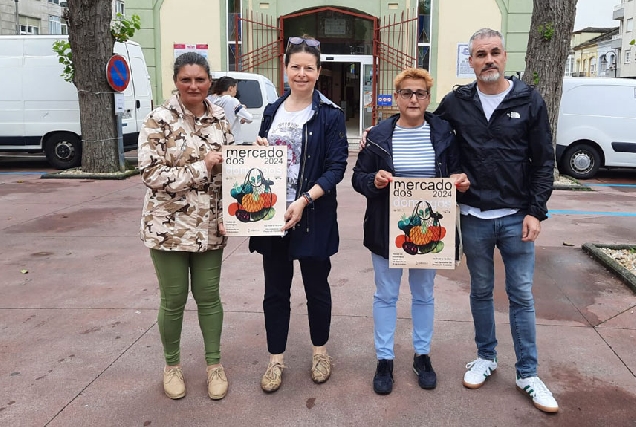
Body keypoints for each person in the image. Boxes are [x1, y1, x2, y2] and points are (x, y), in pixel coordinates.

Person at [435, 28, 558, 413]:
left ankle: (528, 373)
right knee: (481, 293)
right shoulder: (457, 102)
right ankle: (486, 357)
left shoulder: (528, 99)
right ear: (470, 61)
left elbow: (544, 160)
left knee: (521, 296)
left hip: (517, 218)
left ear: (505, 57)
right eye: (480, 54)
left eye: (494, 53)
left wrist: (536, 210)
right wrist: (381, 136)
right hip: (473, 216)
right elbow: (428, 132)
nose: (488, 60)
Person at [352, 68, 470, 395]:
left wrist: (460, 181)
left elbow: (459, 171)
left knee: (424, 294)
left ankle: (422, 355)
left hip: (431, 233)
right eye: (407, 93)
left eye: (420, 93)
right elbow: (358, 177)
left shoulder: (444, 133)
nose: (414, 99)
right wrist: (373, 181)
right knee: (386, 295)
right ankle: (385, 358)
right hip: (386, 229)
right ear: (397, 97)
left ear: (428, 98)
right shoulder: (379, 135)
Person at [249, 36, 348, 393]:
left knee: (316, 287)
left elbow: (337, 167)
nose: (302, 73)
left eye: (309, 67)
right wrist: (259, 147)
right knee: (275, 291)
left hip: (313, 215)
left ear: (319, 72)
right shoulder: (272, 111)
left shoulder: (330, 115)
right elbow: (261, 160)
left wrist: (305, 199)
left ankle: (320, 352)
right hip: (271, 216)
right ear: (285, 69)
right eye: (296, 67)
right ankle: (276, 358)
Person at [138, 52, 234, 401]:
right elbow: (151, 175)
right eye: (186, 79)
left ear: (210, 81)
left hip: (210, 227)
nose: (193, 86)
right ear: (175, 81)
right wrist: (202, 166)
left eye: (200, 79)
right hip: (169, 228)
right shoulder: (158, 119)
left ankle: (214, 365)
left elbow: (230, 169)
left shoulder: (220, 117)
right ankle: (172, 366)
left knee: (209, 298)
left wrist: (254, 153)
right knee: (174, 299)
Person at [208, 76, 254, 145]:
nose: (236, 91)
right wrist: (244, 115)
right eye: (235, 88)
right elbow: (249, 118)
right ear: (230, 88)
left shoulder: (212, 101)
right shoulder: (233, 101)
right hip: (233, 141)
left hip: (218, 140)